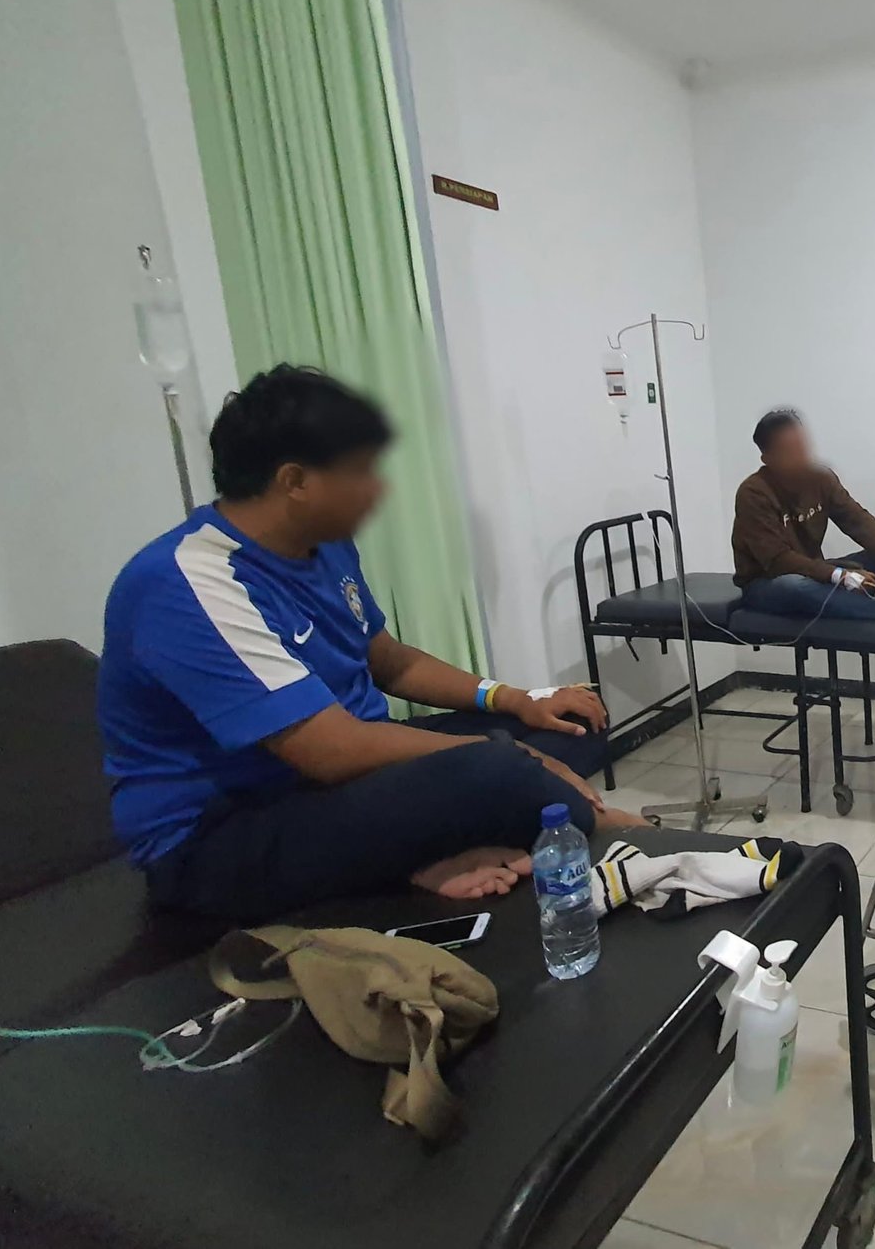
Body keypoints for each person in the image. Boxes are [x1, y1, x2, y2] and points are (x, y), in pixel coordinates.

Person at [99, 364, 645, 925]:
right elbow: (331, 751)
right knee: (500, 770)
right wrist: (510, 757)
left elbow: (390, 661)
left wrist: (515, 699)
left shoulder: (325, 546)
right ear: (295, 481)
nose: (378, 489)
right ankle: (620, 835)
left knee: (571, 725)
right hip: (221, 837)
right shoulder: (187, 582)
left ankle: (424, 852)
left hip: (338, 783)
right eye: (360, 471)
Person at [732, 409, 875, 621]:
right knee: (794, 586)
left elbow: (855, 518)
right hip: (767, 583)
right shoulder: (754, 494)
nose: (801, 458)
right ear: (767, 459)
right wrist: (839, 575)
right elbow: (778, 561)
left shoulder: (820, 478)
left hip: (812, 569)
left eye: (803, 447)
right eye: (790, 452)